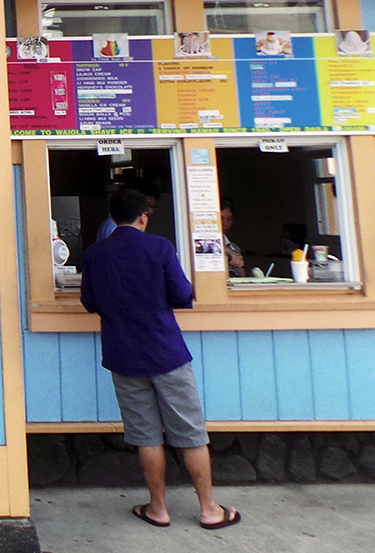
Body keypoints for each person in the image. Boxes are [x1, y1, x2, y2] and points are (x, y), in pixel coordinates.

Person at [80, 188, 241, 530]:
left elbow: (90, 302)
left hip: (123, 355)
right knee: (191, 432)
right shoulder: (160, 247)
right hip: (166, 352)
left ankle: (158, 509)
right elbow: (182, 294)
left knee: (145, 435)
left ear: (113, 218)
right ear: (143, 217)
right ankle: (210, 509)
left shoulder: (95, 254)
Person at [220, 197, 245, 277]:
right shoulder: (205, 245)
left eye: (229, 220)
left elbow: (242, 278)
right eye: (221, 219)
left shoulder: (234, 248)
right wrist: (228, 253)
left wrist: (239, 265)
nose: (225, 224)